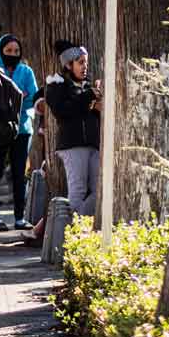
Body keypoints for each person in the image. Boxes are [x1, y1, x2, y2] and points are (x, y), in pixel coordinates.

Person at [0, 35, 39, 231]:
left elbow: (31, 97)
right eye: (9, 51)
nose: (13, 55)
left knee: (19, 174)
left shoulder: (26, 71)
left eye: (16, 51)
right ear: (0, 51)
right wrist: (17, 97)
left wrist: (17, 99)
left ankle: (19, 218)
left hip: (22, 128)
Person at [45, 40, 102, 217]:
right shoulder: (57, 85)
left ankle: (81, 226)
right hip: (72, 145)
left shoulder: (89, 86)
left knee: (100, 189)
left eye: (86, 62)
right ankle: (73, 232)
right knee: (77, 190)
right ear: (68, 65)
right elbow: (62, 111)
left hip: (94, 144)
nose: (85, 66)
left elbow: (91, 111)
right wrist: (89, 98)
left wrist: (98, 107)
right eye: (80, 62)